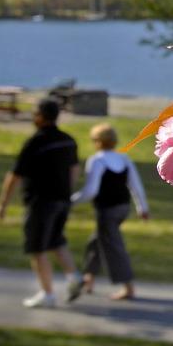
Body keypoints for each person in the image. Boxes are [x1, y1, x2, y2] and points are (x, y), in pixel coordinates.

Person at [0, 98, 79, 308]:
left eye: (35, 114)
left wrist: (3, 204)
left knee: (37, 248)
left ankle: (47, 293)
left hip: (41, 202)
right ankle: (74, 277)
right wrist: (67, 190)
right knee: (55, 240)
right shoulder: (67, 140)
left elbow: (15, 175)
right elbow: (74, 169)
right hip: (62, 199)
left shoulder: (36, 142)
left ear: (41, 117)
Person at [67, 123, 149, 302]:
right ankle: (88, 279)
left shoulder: (97, 160)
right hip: (122, 208)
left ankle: (128, 287)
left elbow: (91, 191)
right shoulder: (124, 159)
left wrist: (70, 201)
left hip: (107, 210)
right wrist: (142, 208)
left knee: (113, 247)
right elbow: (136, 185)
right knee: (97, 241)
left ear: (98, 141)